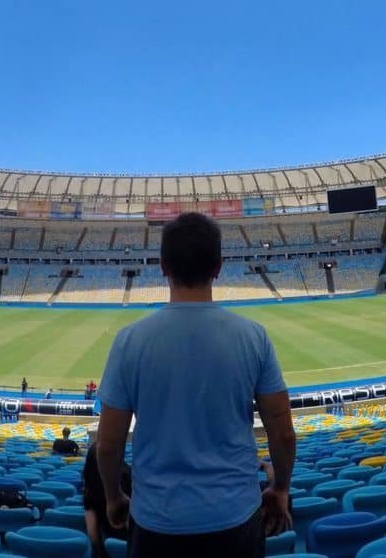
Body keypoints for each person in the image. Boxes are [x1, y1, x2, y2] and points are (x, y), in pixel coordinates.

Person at [97, 213, 296, 558]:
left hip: (156, 522)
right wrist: (280, 488)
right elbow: (283, 434)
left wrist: (113, 497)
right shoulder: (254, 338)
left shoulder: (128, 341)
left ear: (162, 266)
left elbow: (109, 444)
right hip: (236, 518)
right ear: (218, 267)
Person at [84, 441, 132, 558]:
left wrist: (101, 553)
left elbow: (92, 532)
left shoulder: (90, 490)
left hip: (109, 547)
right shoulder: (129, 478)